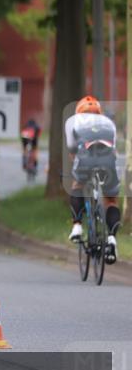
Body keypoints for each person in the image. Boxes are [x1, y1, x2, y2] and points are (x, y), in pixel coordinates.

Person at [66, 96, 121, 263]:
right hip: (108, 160)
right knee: (111, 200)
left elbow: (71, 147)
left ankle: (77, 226)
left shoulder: (73, 120)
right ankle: (111, 238)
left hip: (85, 158)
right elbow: (114, 148)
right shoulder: (108, 122)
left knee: (78, 184)